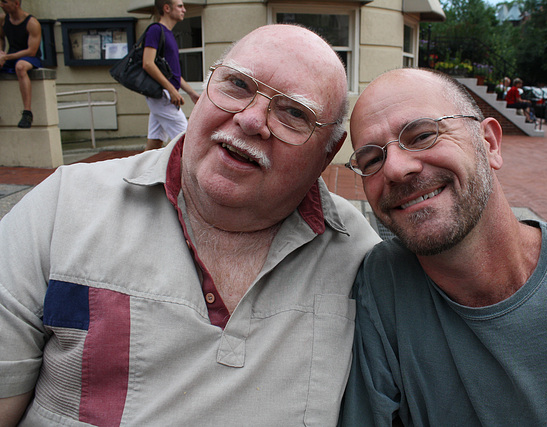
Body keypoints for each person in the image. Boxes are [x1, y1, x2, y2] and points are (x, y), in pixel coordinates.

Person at [0, 24, 381, 425]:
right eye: (237, 84)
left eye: (293, 113)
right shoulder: (64, 206)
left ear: (329, 153)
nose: (251, 120)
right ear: (206, 87)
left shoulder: (360, 258)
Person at [340, 67, 547, 425]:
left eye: (422, 135)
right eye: (372, 160)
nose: (395, 169)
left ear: (490, 143)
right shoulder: (382, 281)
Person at [142, 0, 200, 151]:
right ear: (167, 8)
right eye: (180, 6)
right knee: (187, 140)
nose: (184, 10)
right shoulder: (155, 30)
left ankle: (140, 174)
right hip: (163, 95)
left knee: (155, 143)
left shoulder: (168, 34)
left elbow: (173, 74)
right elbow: (148, 63)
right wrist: (172, 90)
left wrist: (192, 93)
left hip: (164, 95)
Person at [0, 0, 41, 128]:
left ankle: (27, 113)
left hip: (29, 58)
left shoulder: (32, 23)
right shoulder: (2, 20)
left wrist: (6, 56)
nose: (1, 5)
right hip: (10, 56)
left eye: (5, 2)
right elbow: (0, 37)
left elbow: (31, 51)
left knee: (20, 67)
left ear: (16, 3)